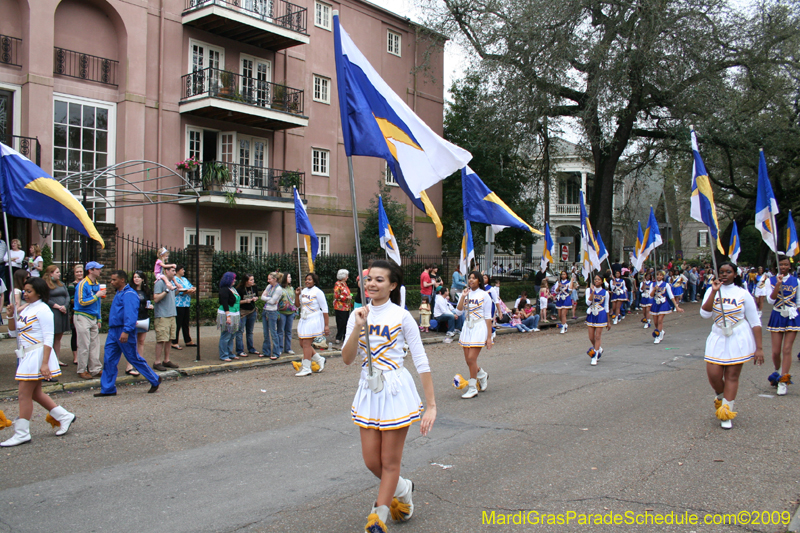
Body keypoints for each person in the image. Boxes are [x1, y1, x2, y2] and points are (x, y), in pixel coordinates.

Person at [341, 260, 436, 531]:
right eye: (370, 278)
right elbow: (347, 359)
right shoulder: (357, 315)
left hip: (395, 390)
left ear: (393, 285)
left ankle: (378, 517)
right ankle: (403, 488)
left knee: (389, 462)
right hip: (369, 390)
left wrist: (431, 405)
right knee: (371, 461)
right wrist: (359, 326)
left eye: (380, 280)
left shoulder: (401, 316)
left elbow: (421, 360)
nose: (372, 283)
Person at [1, 277, 76, 447]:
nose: (25, 294)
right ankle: (64, 416)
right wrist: (11, 314)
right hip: (26, 354)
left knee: (23, 394)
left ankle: (22, 433)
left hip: (37, 354)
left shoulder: (43, 310)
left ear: (39, 292)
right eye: (25, 291)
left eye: (29, 291)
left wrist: (44, 364)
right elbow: (13, 333)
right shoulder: (27, 308)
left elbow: (49, 338)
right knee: (35, 394)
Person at [701, 262, 764, 428]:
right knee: (713, 374)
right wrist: (714, 292)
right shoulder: (711, 290)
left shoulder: (743, 294)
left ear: (735, 274)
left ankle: (727, 412)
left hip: (738, 336)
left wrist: (759, 348)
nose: (724, 274)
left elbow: (755, 321)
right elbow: (705, 314)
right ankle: (721, 396)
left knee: (732, 375)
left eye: (728, 272)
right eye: (721, 272)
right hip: (718, 334)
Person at [93, 271, 162, 397]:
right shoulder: (120, 293)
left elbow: (131, 315)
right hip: (114, 330)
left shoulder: (129, 294)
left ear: (122, 280)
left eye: (114, 279)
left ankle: (154, 378)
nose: (111, 282)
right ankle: (108, 388)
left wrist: (126, 331)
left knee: (132, 357)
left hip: (123, 330)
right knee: (109, 358)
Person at [452, 271, 493, 399]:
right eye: (469, 278)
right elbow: (458, 312)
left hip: (479, 327)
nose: (471, 280)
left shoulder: (485, 295)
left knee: (471, 359)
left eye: (474, 278)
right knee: (468, 361)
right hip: (467, 328)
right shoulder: (465, 293)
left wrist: (489, 337)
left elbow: (488, 317)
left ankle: (472, 387)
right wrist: (463, 296)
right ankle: (481, 375)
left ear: (479, 281)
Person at [766, 256, 799, 396]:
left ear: (789, 266)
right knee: (775, 351)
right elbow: (770, 300)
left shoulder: (796, 281)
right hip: (777, 315)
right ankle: (779, 371)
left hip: (792, 316)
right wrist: (778, 285)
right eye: (781, 265)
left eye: (786, 264)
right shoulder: (770, 280)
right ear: (777, 267)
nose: (784, 267)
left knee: (787, 349)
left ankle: (783, 380)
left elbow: (798, 301)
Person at [73, 261, 106, 379]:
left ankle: (95, 368)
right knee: (84, 344)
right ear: (90, 270)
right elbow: (81, 301)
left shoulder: (96, 284)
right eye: (97, 269)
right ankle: (82, 369)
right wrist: (97, 295)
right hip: (82, 315)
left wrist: (99, 318)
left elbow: (98, 303)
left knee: (94, 344)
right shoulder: (83, 284)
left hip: (92, 317)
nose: (100, 270)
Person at [293, 272, 329, 376]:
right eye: (306, 279)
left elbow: (325, 309)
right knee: (302, 343)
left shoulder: (318, 292)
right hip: (304, 319)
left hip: (313, 319)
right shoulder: (303, 291)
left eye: (309, 279)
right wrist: (297, 295)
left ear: (314, 281)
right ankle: (319, 359)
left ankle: (306, 368)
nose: (307, 281)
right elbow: (297, 305)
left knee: (306, 344)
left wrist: (326, 325)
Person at [153, 265, 179, 370]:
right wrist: (167, 290)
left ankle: (166, 360)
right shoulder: (160, 283)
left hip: (172, 314)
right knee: (161, 339)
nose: (174, 273)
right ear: (166, 271)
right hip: (162, 316)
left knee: (170, 339)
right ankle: (157, 362)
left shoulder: (171, 282)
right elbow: (156, 298)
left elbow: (173, 294)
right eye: (172, 271)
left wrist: (180, 290)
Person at [43, 266, 69, 370]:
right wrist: (57, 306)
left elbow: (67, 296)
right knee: (51, 336)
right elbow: (45, 298)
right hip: (53, 311)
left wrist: (65, 306)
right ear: (50, 274)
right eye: (57, 272)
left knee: (59, 337)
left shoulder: (61, 284)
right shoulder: (46, 285)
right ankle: (49, 359)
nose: (59, 274)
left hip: (63, 311)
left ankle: (57, 358)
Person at [649, 270, 684, 344]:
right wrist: (654, 289)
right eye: (657, 275)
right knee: (655, 322)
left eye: (660, 275)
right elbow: (650, 296)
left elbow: (671, 296)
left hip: (663, 303)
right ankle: (660, 331)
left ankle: (657, 336)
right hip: (655, 303)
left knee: (660, 320)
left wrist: (676, 307)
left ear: (663, 276)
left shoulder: (666, 284)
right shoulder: (652, 284)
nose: (659, 276)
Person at [130, 271, 153, 376]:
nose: (136, 279)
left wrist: (150, 306)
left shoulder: (146, 291)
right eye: (135, 277)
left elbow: (148, 302)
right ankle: (129, 365)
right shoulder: (130, 290)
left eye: (138, 277)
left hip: (144, 317)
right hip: (133, 318)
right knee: (132, 342)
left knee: (141, 342)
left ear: (143, 279)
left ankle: (140, 364)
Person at [585, 274, 610, 366]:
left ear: (602, 281)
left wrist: (608, 321)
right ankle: (598, 348)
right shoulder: (589, 290)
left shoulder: (605, 293)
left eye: (598, 279)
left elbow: (607, 306)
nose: (596, 281)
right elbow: (587, 302)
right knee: (591, 337)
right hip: (591, 314)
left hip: (601, 314)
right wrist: (593, 292)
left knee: (597, 336)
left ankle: (594, 356)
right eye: (595, 279)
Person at [172, 265, 197, 350]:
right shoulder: (174, 279)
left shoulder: (185, 279)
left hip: (186, 303)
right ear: (178, 270)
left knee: (185, 322)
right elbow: (177, 291)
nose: (184, 271)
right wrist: (188, 290)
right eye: (182, 269)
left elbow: (190, 287)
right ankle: (174, 341)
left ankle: (188, 340)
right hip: (178, 303)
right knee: (178, 323)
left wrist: (192, 289)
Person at [217, 272, 240, 362]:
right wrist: (228, 316)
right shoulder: (224, 289)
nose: (235, 280)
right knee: (226, 335)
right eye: (233, 279)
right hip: (227, 314)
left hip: (235, 313)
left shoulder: (232, 288)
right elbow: (224, 303)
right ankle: (223, 354)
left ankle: (230, 353)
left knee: (232, 335)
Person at [235, 273, 259, 357]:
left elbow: (257, 296)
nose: (253, 281)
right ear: (246, 281)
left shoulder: (254, 287)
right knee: (240, 331)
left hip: (252, 311)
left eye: (253, 279)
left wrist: (255, 298)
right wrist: (246, 301)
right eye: (251, 280)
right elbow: (236, 301)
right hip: (243, 312)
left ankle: (251, 348)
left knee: (250, 331)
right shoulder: (239, 289)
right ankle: (240, 350)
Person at [261, 272, 283, 360]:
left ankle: (276, 352)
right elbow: (262, 297)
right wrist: (269, 299)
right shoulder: (269, 286)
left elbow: (273, 301)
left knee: (273, 333)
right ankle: (266, 351)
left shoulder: (278, 289)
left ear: (275, 279)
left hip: (272, 312)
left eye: (270, 279)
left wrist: (268, 299)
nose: (268, 280)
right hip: (265, 310)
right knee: (265, 333)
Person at [68, 264, 84, 365]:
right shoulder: (71, 286)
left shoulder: (86, 283)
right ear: (74, 274)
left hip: (85, 312)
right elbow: (71, 300)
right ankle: (75, 356)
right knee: (75, 334)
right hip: (75, 312)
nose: (79, 274)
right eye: (77, 272)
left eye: (80, 272)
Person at [278, 272, 296, 355]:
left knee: (288, 331)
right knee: (281, 331)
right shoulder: (280, 289)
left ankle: (288, 348)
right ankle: (280, 348)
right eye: (289, 277)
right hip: (282, 312)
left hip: (290, 312)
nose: (290, 278)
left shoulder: (291, 288)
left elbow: (293, 299)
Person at [333, 269, 352, 345]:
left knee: (346, 322)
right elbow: (337, 295)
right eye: (346, 275)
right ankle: (339, 337)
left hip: (346, 306)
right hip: (340, 306)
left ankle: (344, 336)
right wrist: (347, 297)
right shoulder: (338, 284)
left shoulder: (344, 284)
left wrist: (349, 296)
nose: (347, 277)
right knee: (341, 322)